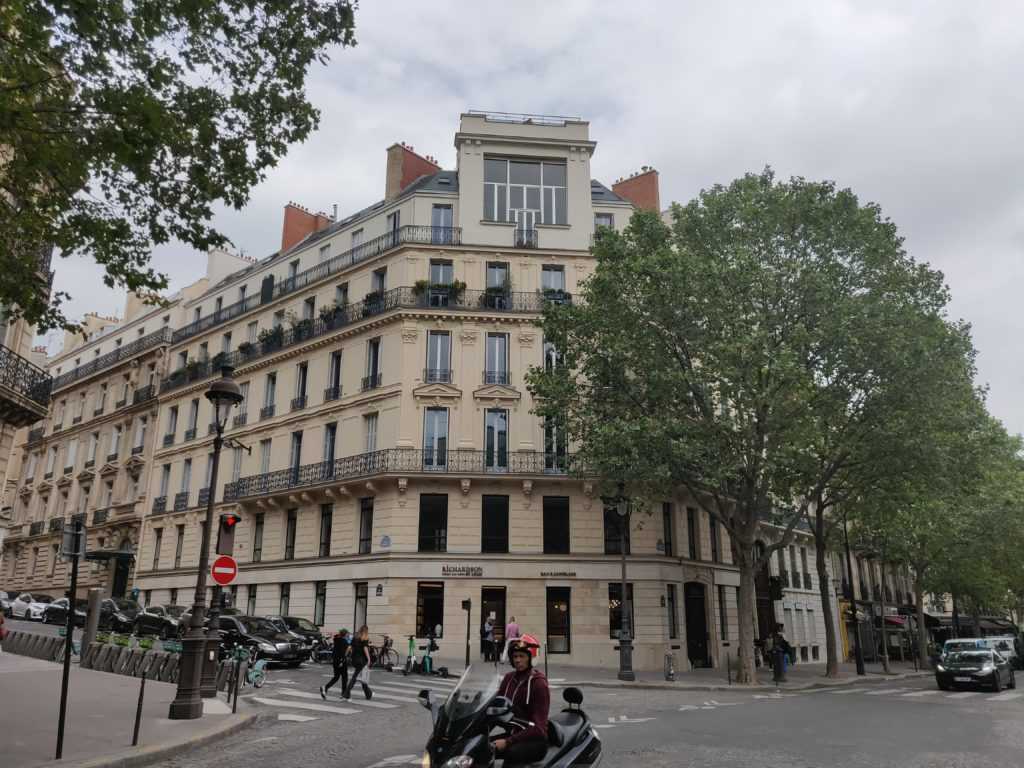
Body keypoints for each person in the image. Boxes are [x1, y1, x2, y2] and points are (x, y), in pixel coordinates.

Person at [493, 635, 549, 766]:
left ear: (531, 658)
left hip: (535, 740)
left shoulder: (539, 684)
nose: (518, 660)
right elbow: (496, 705)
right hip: (513, 734)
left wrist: (508, 742)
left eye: (522, 656)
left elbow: (539, 728)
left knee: (512, 754)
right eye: (515, 656)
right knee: (479, 748)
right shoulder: (508, 679)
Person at [343, 625, 373, 700]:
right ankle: (346, 693)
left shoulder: (355, 637)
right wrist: (369, 659)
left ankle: (368, 694)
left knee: (361, 676)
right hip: (362, 660)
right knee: (356, 677)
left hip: (354, 660)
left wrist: (345, 655)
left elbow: (349, 647)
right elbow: (365, 648)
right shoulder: (365, 638)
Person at [320, 628, 350, 699]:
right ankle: (343, 694)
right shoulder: (344, 642)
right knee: (344, 677)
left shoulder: (336, 640)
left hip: (335, 661)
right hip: (341, 661)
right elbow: (343, 653)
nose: (348, 635)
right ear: (345, 634)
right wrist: (342, 660)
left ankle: (325, 687)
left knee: (336, 677)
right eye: (347, 634)